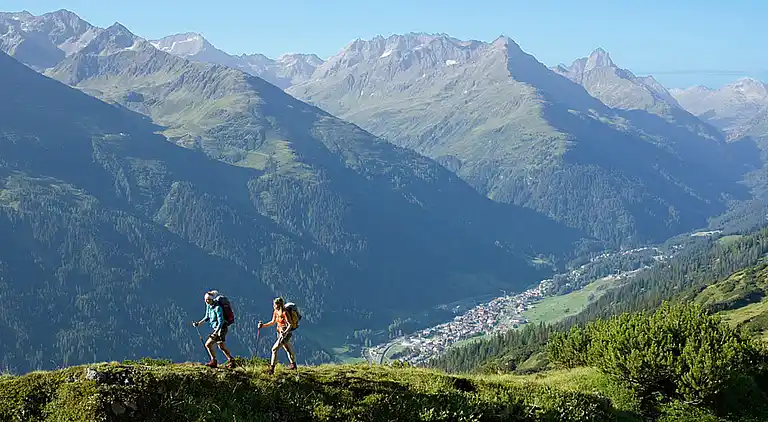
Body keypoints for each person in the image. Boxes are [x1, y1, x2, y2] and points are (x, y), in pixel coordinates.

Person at [193, 290, 235, 368]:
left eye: (208, 300)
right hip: (218, 329)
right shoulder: (209, 306)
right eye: (206, 300)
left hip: (221, 329)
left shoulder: (218, 308)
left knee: (208, 344)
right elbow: (207, 317)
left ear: (211, 299)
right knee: (221, 346)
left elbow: (221, 321)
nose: (206, 301)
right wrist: (198, 323)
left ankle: (214, 361)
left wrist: (216, 332)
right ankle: (231, 361)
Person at [258, 297, 297, 374]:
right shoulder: (276, 312)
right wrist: (263, 325)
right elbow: (273, 322)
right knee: (287, 349)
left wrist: (285, 333)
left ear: (278, 305)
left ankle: (271, 369)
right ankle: (293, 365)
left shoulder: (284, 313)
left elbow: (290, 324)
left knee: (274, 349)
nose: (273, 305)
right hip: (279, 332)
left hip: (285, 334)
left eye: (274, 304)